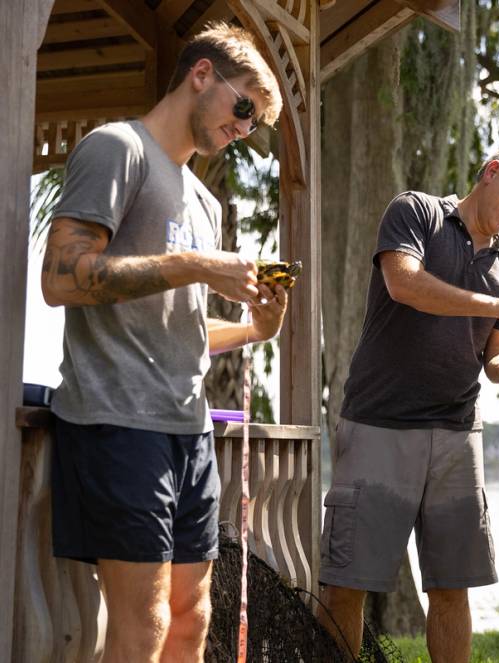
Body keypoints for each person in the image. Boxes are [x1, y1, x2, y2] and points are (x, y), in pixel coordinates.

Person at [40, 23, 287, 663]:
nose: (244, 128)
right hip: (117, 421)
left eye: (254, 123)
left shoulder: (203, 200)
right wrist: (196, 266)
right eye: (243, 108)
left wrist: (258, 329)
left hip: (189, 429)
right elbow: (61, 278)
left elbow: (181, 327)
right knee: (142, 627)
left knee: (189, 622)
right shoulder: (117, 147)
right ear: (201, 74)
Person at [318, 145, 499, 662]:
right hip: (378, 423)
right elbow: (405, 285)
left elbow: (498, 359)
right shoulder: (417, 211)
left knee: (452, 587)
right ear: (492, 171)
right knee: (346, 586)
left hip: (455, 434)